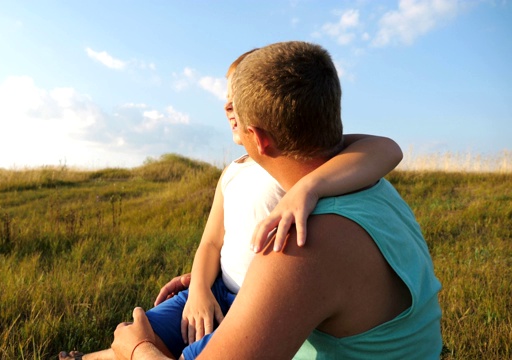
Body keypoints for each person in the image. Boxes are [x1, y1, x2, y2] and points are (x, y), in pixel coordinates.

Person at [60, 48, 404, 360]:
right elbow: (211, 241)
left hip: (256, 299)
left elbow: (386, 148)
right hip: (221, 287)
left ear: (260, 135)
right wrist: (198, 287)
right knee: (147, 330)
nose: (226, 108)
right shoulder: (242, 172)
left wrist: (135, 349)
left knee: (158, 346)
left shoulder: (303, 190)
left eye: (235, 100)